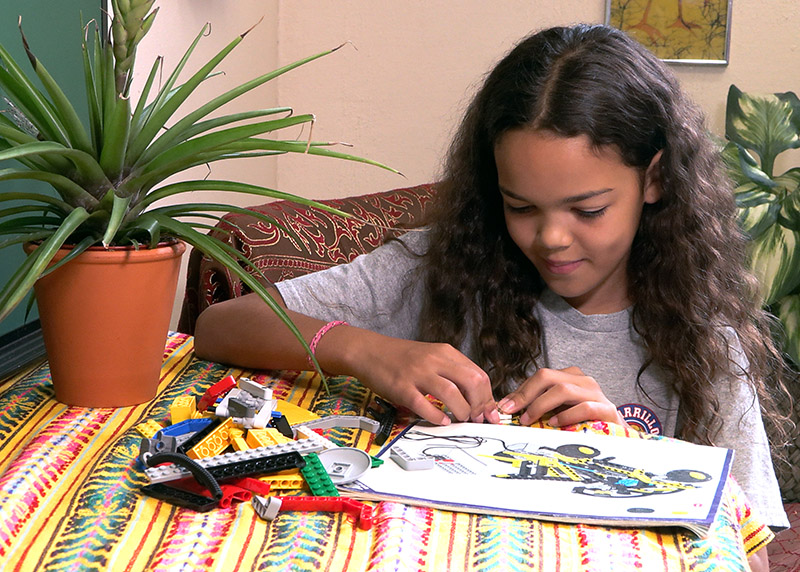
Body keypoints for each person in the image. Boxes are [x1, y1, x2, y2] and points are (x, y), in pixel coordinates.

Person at [195, 24, 790, 568]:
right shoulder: (446, 270)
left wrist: (628, 458)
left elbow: (750, 554)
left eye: (588, 209)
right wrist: (367, 351)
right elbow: (220, 324)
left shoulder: (702, 341)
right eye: (521, 207)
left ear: (655, 179)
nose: (552, 238)